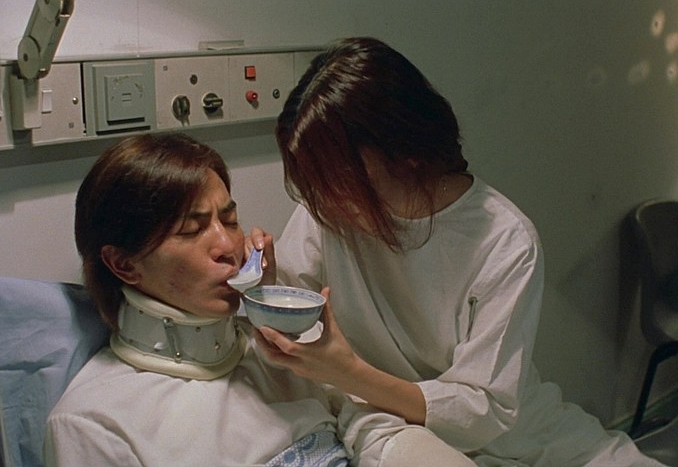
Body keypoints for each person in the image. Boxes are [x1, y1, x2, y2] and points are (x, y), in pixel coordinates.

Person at [254, 37, 666, 466]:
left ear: (407, 152)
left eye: (340, 177)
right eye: (315, 181)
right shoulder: (327, 210)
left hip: (511, 427)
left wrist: (351, 373)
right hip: (384, 417)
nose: (325, 199)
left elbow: (484, 409)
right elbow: (291, 315)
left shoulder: (504, 241)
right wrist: (264, 291)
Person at [44, 133, 473, 466]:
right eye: (192, 230)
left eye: (230, 220)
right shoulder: (94, 424)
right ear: (124, 265)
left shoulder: (272, 351)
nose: (228, 247)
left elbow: (369, 429)